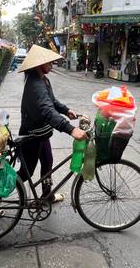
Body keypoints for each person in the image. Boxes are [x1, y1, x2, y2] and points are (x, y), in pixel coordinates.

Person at [18, 45, 88, 203]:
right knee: (24, 173)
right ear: (38, 64)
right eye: (49, 62)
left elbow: (52, 102)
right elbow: (47, 111)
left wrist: (66, 110)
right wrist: (70, 129)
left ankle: (47, 195)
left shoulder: (43, 79)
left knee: (47, 163)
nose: (51, 65)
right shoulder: (36, 85)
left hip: (42, 133)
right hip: (32, 136)